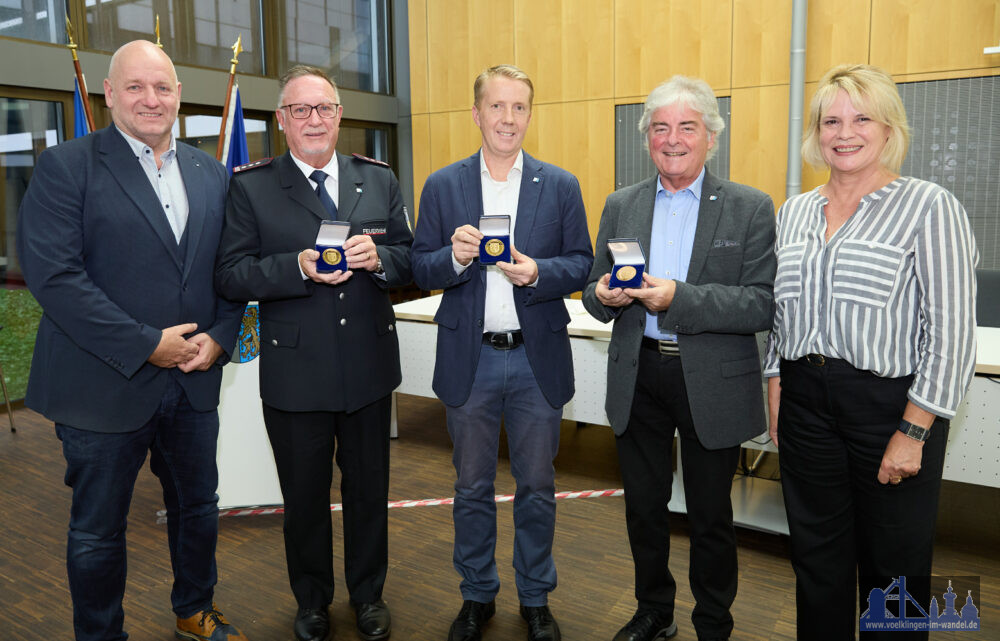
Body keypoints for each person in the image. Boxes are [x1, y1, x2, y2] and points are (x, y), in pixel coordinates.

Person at [15, 40, 247, 641]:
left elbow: (230, 268)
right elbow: (56, 278)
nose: (152, 99)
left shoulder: (209, 172)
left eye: (163, 87)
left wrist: (221, 337)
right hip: (102, 384)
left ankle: (195, 610)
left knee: (198, 511)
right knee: (97, 531)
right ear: (109, 94)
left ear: (178, 95)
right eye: (136, 87)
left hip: (193, 382)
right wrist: (148, 343)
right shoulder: (67, 167)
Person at [763, 63, 978, 641]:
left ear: (889, 129)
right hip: (805, 404)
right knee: (816, 561)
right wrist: (775, 384)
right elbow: (783, 314)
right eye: (830, 120)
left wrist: (915, 431)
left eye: (862, 118)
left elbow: (953, 335)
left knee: (894, 570)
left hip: (889, 407)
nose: (844, 132)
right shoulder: (795, 212)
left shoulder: (930, 207)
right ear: (815, 132)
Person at [214, 65, 412, 641]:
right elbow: (230, 274)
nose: (314, 120)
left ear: (339, 115)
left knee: (369, 493)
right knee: (303, 501)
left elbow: (410, 257)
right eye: (300, 110)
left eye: (323, 108)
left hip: (370, 371)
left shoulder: (377, 178)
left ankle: (369, 596)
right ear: (281, 121)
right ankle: (312, 602)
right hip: (296, 376)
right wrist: (295, 267)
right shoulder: (251, 186)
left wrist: (379, 260)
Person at [581, 75, 776, 641]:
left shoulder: (749, 207)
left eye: (686, 127)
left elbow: (761, 303)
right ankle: (654, 611)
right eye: (660, 128)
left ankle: (713, 621)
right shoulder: (622, 204)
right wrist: (605, 296)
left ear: (711, 136)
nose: (672, 139)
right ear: (647, 139)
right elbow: (594, 292)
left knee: (712, 516)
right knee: (644, 508)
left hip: (709, 380)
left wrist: (679, 298)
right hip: (639, 374)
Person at [410, 64, 593, 641]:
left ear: (530, 115)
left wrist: (538, 271)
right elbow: (418, 265)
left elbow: (583, 263)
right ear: (476, 113)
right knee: (470, 489)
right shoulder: (443, 186)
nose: (508, 119)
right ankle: (477, 594)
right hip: (472, 359)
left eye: (519, 108)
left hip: (536, 362)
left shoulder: (560, 185)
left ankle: (536, 596)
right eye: (497, 107)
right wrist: (456, 258)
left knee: (537, 486)